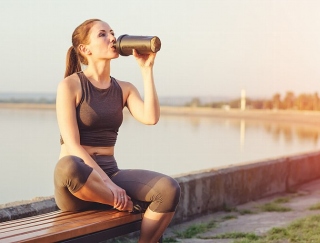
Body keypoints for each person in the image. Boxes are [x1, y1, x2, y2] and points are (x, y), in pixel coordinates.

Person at [53, 19, 181, 243]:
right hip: (79, 186)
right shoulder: (70, 85)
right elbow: (72, 145)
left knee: (169, 189)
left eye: (112, 33)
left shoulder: (123, 88)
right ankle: (125, 204)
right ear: (85, 49)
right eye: (102, 34)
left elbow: (151, 118)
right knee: (68, 165)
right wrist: (110, 187)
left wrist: (146, 70)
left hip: (111, 175)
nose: (112, 38)